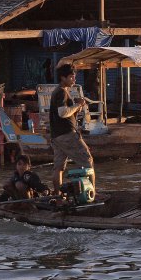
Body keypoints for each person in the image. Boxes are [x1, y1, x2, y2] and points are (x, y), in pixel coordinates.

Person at [50, 64, 95, 193]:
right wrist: (78, 104)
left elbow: (64, 112)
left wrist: (75, 105)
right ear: (62, 78)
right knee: (87, 161)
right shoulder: (61, 92)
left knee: (58, 167)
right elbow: (63, 113)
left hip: (57, 136)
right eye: (71, 77)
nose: (74, 80)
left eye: (74, 77)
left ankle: (58, 196)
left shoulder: (58, 92)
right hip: (67, 134)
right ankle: (92, 193)